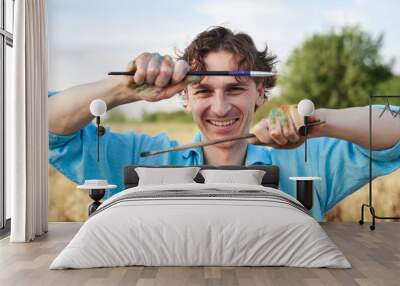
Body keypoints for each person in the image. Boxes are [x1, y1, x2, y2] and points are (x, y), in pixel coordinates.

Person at [48, 26, 400, 220]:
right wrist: (125, 89)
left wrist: (313, 123)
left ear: (260, 92)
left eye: (234, 89)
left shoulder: (307, 160)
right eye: (202, 91)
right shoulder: (147, 156)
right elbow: (45, 129)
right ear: (183, 98)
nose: (220, 107)